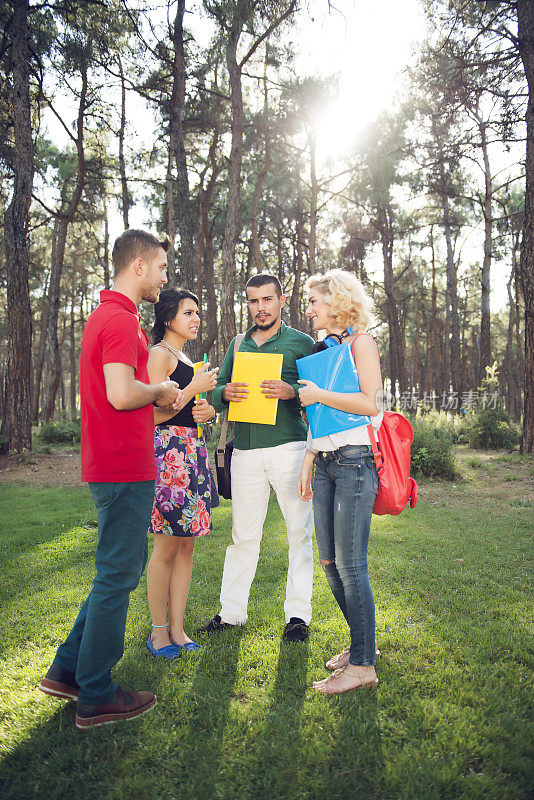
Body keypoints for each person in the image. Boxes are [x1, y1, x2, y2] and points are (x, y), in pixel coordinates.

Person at [38, 229, 182, 729]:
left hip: (117, 462)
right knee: (118, 576)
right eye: (161, 267)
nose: (165, 277)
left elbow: (122, 393)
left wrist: (159, 394)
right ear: (138, 267)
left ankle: (67, 671)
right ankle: (96, 693)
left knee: (115, 571)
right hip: (122, 466)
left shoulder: (111, 317)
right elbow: (121, 395)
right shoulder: (119, 321)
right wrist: (161, 387)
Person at [196, 274, 315, 642]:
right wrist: (224, 393)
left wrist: (290, 390)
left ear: (281, 300)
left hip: (289, 449)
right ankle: (231, 613)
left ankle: (298, 616)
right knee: (242, 536)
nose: (260, 307)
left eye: (267, 299)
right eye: (253, 301)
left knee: (299, 533)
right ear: (247, 304)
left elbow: (318, 392)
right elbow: (215, 391)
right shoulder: (238, 343)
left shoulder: (302, 342)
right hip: (245, 452)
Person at [297, 269, 383, 693]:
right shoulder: (326, 350)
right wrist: (308, 458)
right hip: (328, 463)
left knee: (351, 566)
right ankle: (363, 643)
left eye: (314, 301)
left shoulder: (362, 344)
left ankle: (363, 666)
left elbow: (371, 404)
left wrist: (319, 394)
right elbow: (324, 419)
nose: (308, 308)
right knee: (330, 565)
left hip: (354, 463)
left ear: (336, 302)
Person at [145, 288, 219, 658]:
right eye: (188, 312)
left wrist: (207, 413)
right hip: (167, 454)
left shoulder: (183, 355)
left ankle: (178, 628)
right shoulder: (158, 355)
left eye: (197, 312)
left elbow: (185, 409)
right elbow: (149, 415)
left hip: (191, 450)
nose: (196, 319)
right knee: (166, 545)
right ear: (167, 318)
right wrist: (194, 388)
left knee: (186, 543)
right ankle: (158, 632)